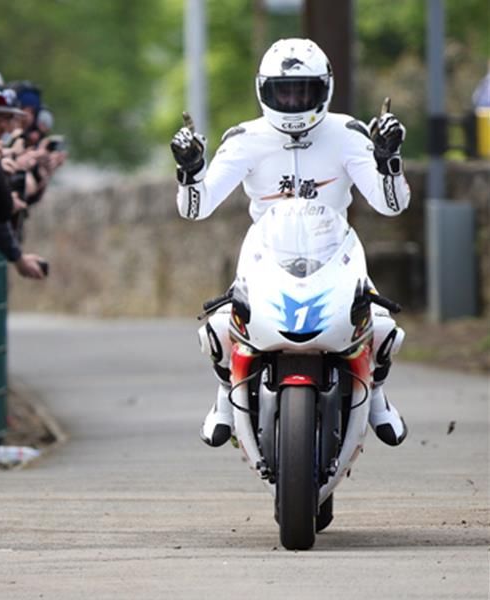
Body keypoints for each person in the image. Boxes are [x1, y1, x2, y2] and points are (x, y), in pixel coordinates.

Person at [171, 38, 410, 448]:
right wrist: (191, 171)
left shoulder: (348, 133)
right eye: (285, 91)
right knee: (219, 328)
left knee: (383, 326)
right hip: (266, 252)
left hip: (334, 249)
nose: (294, 102)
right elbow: (197, 209)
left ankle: (376, 397)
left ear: (325, 89)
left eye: (304, 91)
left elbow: (390, 205)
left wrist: (388, 160)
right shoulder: (245, 137)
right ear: (265, 90)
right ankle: (225, 400)